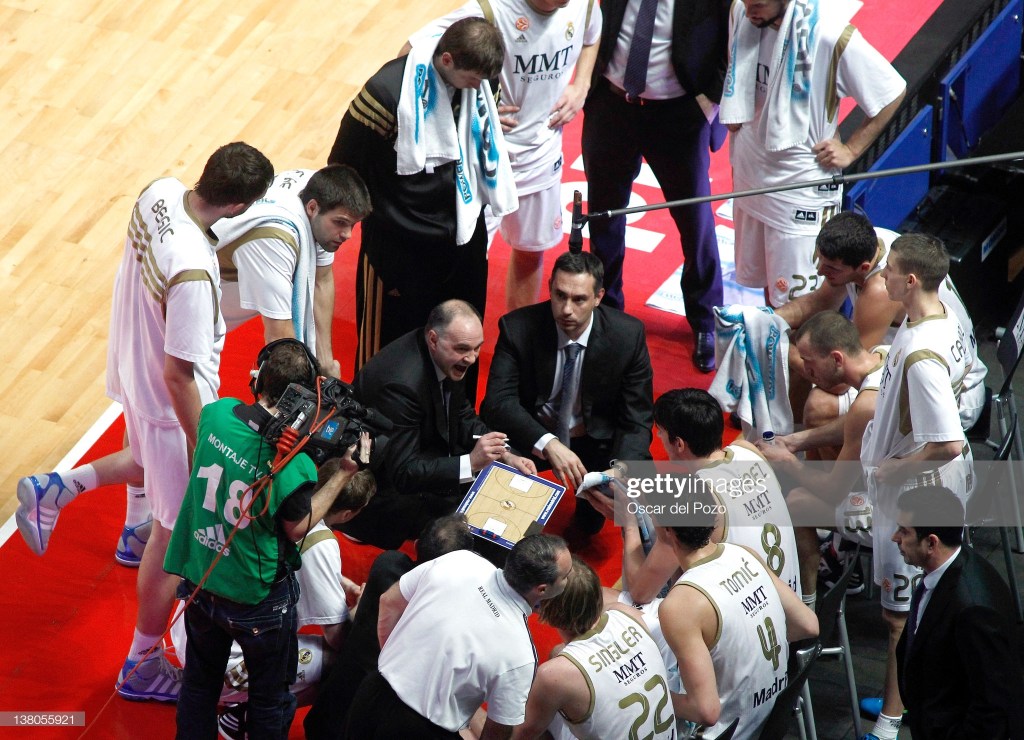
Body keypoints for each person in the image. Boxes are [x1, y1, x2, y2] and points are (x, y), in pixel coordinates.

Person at [15, 142, 275, 700]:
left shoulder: (160, 191)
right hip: (168, 403)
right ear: (237, 207)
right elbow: (179, 375)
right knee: (172, 533)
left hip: (131, 364)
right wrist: (206, 443)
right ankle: (141, 665)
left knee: (146, 464)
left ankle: (55, 490)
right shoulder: (193, 272)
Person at [163, 339, 369, 737]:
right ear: (306, 400)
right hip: (255, 599)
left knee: (199, 687)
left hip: (201, 581)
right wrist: (344, 472)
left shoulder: (215, 414)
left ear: (257, 379)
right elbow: (297, 527)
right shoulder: (294, 466)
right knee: (269, 700)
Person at [328, 17, 515, 388]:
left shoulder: (482, 81)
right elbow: (343, 166)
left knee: (461, 347)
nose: (480, 87)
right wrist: (378, 217)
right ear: (446, 60)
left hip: (464, 237)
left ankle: (455, 421)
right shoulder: (385, 93)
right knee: (386, 355)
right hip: (399, 247)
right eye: (473, 78)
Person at [405, 0, 602, 311]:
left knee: (530, 251)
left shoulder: (583, 4)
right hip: (484, 159)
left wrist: (582, 83)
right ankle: (453, 335)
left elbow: (591, 34)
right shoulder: (489, 10)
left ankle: (515, 336)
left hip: (542, 155)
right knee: (463, 261)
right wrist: (468, 104)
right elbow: (411, 54)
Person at [857, 234, 976, 740]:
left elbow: (946, 443)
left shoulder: (922, 356)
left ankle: (890, 720)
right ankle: (902, 698)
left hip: (914, 491)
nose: (880, 276)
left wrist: (894, 470)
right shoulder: (939, 310)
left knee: (900, 615)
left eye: (888, 270)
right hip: (936, 484)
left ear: (909, 280)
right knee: (920, 604)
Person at [721, 0, 906, 307]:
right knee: (771, 290)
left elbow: (891, 91)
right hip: (749, 177)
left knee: (803, 306)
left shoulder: (829, 35)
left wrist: (852, 148)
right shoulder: (740, 12)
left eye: (758, 4)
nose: (749, 9)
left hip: (799, 192)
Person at [169, 465, 376, 740]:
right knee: (344, 661)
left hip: (191, 634)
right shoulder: (321, 542)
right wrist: (362, 610)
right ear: (348, 513)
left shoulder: (264, 499)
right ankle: (241, 719)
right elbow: (338, 637)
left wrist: (340, 581)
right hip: (234, 653)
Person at [581, 0, 729, 373]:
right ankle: (607, 312)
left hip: (679, 115)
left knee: (695, 223)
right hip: (611, 105)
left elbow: (736, 42)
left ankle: (706, 320)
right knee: (604, 217)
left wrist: (709, 102)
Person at [481, 250, 654, 536]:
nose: (566, 309)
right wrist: (548, 443)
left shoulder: (627, 335)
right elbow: (498, 403)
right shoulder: (518, 327)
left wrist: (621, 472)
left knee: (599, 519)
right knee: (497, 514)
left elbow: (637, 420)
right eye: (560, 295)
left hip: (595, 441)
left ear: (598, 297)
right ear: (550, 287)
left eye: (579, 299)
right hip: (532, 432)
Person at [341, 299, 536, 550]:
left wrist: (503, 453)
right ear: (433, 339)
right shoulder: (400, 386)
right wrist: (471, 462)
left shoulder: (449, 355)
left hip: (421, 450)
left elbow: (462, 414)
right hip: (383, 489)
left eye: (477, 348)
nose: (472, 358)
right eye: (463, 349)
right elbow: (403, 473)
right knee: (468, 535)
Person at [343, 533, 573, 739]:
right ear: (542, 589)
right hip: (421, 731)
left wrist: (392, 655)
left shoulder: (460, 560)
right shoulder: (521, 653)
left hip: (373, 691)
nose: (569, 578)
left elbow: (388, 601)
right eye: (566, 575)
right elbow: (498, 730)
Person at [774, 212, 987, 430]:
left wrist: (779, 346)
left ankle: (841, 452)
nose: (820, 271)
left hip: (955, 399)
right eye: (820, 260)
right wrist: (769, 320)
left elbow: (842, 381)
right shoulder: (867, 241)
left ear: (864, 268)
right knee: (804, 340)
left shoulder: (880, 290)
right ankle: (792, 436)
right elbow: (821, 302)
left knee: (821, 406)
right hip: (916, 367)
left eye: (830, 268)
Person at [657, 493, 819, 739]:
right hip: (771, 718)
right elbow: (809, 625)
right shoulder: (745, 554)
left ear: (666, 530)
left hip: (731, 732)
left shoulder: (680, 605)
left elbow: (705, 711)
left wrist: (655, 697)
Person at [303, 513, 476, 740]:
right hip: (377, 709)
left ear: (416, 545)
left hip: (336, 701)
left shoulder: (388, 563)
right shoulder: (447, 610)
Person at [755, 311, 886, 602]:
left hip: (906, 513)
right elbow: (854, 423)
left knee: (797, 503)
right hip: (940, 484)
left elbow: (833, 490)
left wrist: (786, 461)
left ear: (837, 358)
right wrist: (795, 441)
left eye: (809, 361)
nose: (805, 370)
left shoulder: (866, 405)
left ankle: (807, 607)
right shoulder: (884, 354)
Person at [892, 486, 1024, 740]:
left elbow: (992, 705)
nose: (894, 537)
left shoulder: (973, 610)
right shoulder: (951, 568)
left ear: (931, 543)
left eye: (904, 531)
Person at [215, 164, 372, 377]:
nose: (348, 235)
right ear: (312, 208)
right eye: (341, 223)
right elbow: (279, 337)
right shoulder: (276, 242)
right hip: (198, 299)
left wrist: (325, 362)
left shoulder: (321, 192)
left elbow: (321, 279)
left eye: (352, 225)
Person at [511, 556, 676, 739]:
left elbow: (519, 736)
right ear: (597, 593)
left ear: (546, 612)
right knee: (558, 657)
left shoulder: (552, 675)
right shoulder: (625, 612)